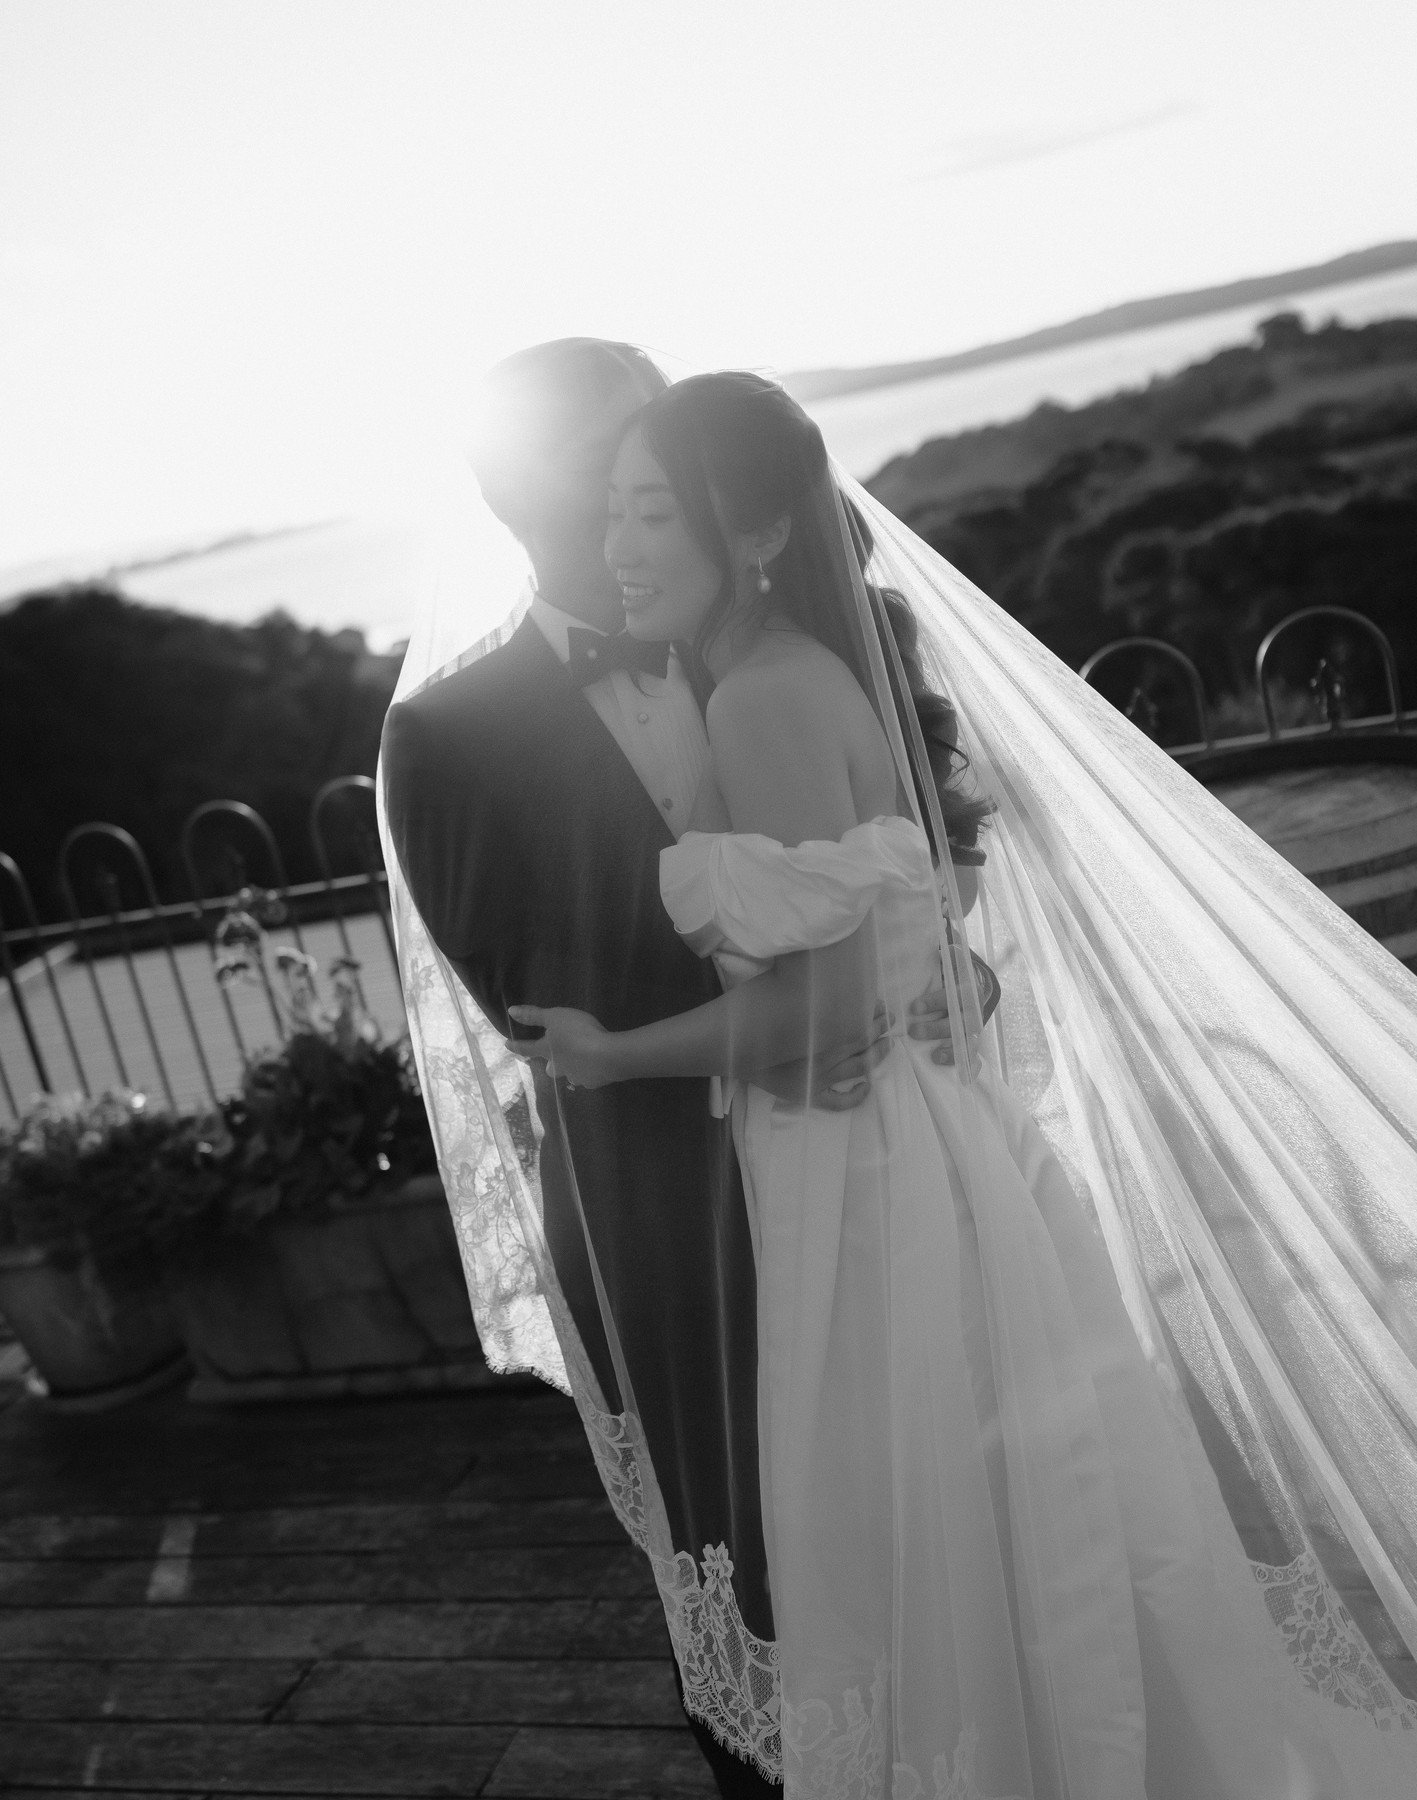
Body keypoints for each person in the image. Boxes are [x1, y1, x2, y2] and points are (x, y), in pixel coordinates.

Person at [503, 372, 1417, 1799]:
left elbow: (815, 1007)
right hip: (906, 1136)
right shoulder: (798, 665)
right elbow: (887, 933)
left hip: (850, 1161)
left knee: (902, 1511)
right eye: (610, 509)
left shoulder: (760, 697)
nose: (618, 546)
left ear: (748, 529)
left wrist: (610, 1053)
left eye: (650, 512)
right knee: (1001, 1504)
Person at [379, 341, 975, 1794]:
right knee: (751, 1572)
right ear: (526, 492)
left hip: (865, 1151)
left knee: (934, 1527)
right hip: (664, 1203)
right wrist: (793, 1025)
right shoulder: (444, 735)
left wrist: (904, 986)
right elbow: (537, 1019)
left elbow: (900, 870)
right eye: (618, 457)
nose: (654, 480)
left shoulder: (790, 656)